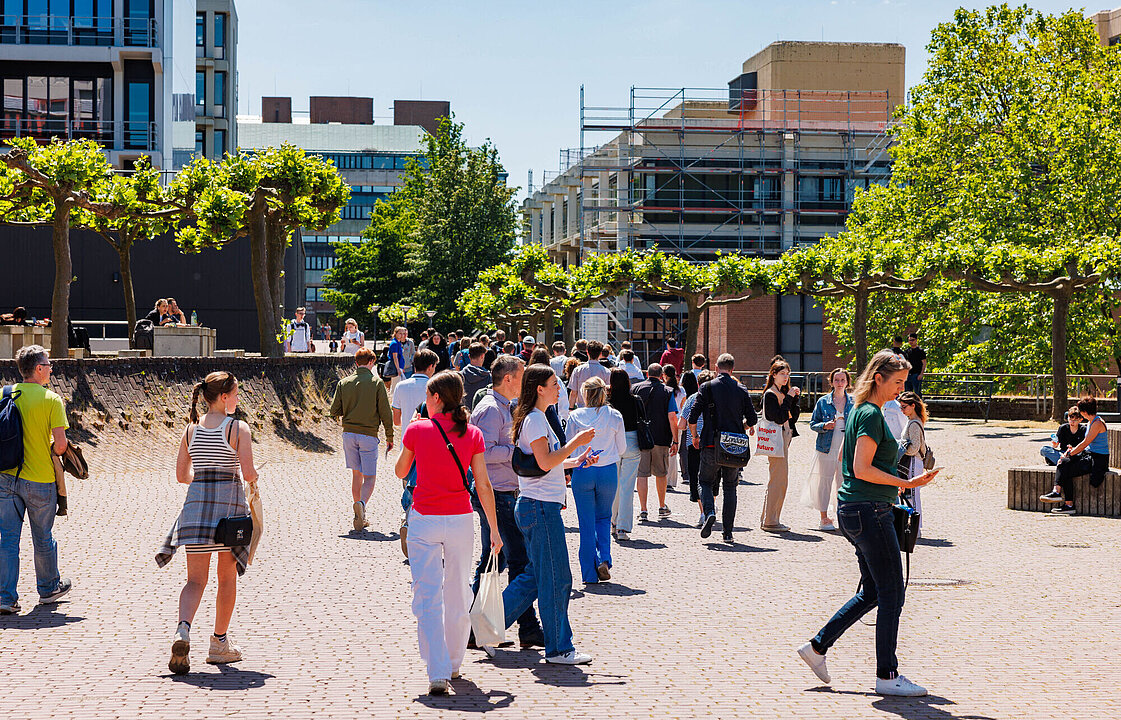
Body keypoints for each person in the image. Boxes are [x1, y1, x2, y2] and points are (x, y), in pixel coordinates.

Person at [798, 349, 939, 697]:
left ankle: (817, 647)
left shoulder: (863, 411)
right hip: (869, 511)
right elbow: (861, 468)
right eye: (897, 382)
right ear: (879, 378)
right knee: (893, 593)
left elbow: (858, 467)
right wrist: (908, 484)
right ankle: (887, 676)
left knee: (874, 591)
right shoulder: (871, 415)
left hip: (857, 510)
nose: (901, 389)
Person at [395, 371, 501, 695]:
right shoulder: (473, 433)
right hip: (460, 518)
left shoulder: (417, 429)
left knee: (427, 595)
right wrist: (494, 529)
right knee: (458, 591)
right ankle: (455, 662)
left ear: (436, 398)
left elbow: (400, 470)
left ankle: (437, 669)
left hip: (425, 517)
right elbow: (483, 484)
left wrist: (415, 428)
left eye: (427, 396)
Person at [157, 371, 259, 674]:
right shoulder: (238, 428)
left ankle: (183, 630)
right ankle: (218, 644)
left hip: (196, 511)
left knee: (194, 580)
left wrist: (201, 481)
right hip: (228, 512)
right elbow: (249, 472)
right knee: (226, 578)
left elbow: (181, 476)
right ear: (224, 397)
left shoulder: (190, 430)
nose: (239, 399)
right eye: (237, 394)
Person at [501, 365, 597, 665]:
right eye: (555, 384)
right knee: (557, 578)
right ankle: (559, 648)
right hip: (540, 507)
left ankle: (481, 627)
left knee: (536, 577)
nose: (560, 388)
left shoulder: (535, 418)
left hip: (538, 505)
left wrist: (575, 460)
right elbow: (543, 462)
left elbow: (545, 463)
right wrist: (574, 445)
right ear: (539, 388)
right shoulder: (535, 420)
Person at [468, 355, 543, 649]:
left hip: (502, 492)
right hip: (497, 494)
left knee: (499, 559)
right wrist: (516, 450)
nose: (524, 382)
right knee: (509, 560)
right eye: (522, 376)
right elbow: (483, 452)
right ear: (508, 379)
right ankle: (488, 627)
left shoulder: (500, 407)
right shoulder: (490, 410)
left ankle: (513, 627)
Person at [0, 346, 72, 616]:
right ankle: (48, 588)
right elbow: (61, 446)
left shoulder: (4, 394)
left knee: (7, 539)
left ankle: (5, 597)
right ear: (39, 368)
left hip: (6, 476)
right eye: (49, 365)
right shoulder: (51, 400)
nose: (51, 369)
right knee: (42, 537)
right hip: (40, 479)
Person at [689, 353, 757, 543]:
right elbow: (752, 420)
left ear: (717, 369)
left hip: (710, 443)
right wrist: (739, 428)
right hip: (733, 446)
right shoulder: (741, 389)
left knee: (704, 481)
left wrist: (695, 436)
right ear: (733, 369)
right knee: (730, 487)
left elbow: (692, 417)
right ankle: (728, 532)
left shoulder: (707, 387)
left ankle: (709, 511)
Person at [566, 377, 626, 584]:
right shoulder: (615, 415)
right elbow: (623, 448)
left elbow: (568, 447)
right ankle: (605, 559)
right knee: (603, 518)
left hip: (583, 470)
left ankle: (588, 574)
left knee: (586, 522)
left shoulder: (575, 416)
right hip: (607, 470)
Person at [330, 347, 394, 531]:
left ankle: (359, 511)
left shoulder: (344, 382)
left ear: (356, 363)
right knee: (370, 477)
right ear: (372, 362)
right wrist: (389, 436)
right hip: (368, 434)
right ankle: (362, 505)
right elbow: (385, 412)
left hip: (349, 433)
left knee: (356, 474)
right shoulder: (376, 383)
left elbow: (334, 410)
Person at [1040, 395, 1110, 515]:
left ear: (1084, 412)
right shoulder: (1091, 422)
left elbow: (1085, 443)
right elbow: (1086, 446)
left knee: (1066, 466)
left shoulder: (1098, 423)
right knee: (1064, 462)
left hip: (1098, 459)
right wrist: (1069, 454)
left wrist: (1070, 453)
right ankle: (1058, 494)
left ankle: (1067, 503)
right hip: (1089, 454)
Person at [803, 368, 854, 531]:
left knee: (844, 482)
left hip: (846, 447)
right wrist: (824, 425)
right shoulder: (823, 402)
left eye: (843, 380)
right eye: (837, 380)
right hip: (826, 446)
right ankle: (824, 518)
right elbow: (812, 423)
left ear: (847, 382)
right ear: (831, 382)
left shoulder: (853, 402)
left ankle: (842, 516)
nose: (840, 383)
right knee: (824, 481)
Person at [632, 363, 678, 521]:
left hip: (641, 438)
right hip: (661, 437)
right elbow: (672, 417)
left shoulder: (635, 389)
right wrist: (676, 440)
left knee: (642, 474)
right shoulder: (667, 391)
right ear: (662, 376)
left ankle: (643, 510)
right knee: (661, 473)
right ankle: (661, 505)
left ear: (647, 374)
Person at [761, 359, 801, 532]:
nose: (786, 377)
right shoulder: (770, 394)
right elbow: (778, 417)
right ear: (774, 375)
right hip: (776, 438)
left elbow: (793, 417)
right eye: (782, 374)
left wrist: (793, 399)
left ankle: (768, 518)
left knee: (779, 479)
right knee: (778, 480)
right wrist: (789, 399)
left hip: (784, 437)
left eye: (788, 374)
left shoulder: (782, 392)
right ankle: (771, 520)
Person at [608, 369, 643, 541]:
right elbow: (643, 419)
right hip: (632, 441)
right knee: (627, 486)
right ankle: (622, 527)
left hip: (613, 443)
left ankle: (613, 522)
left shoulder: (608, 401)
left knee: (613, 485)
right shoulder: (635, 400)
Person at [679, 370, 715, 526]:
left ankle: (703, 512)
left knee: (697, 477)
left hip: (694, 443)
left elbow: (681, 424)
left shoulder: (692, 399)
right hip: (713, 442)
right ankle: (711, 507)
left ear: (698, 384)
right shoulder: (717, 399)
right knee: (713, 476)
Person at [896, 391, 929, 531]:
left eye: (904, 407)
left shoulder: (914, 423)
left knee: (914, 495)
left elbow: (914, 447)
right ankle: (914, 526)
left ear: (912, 406)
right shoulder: (912, 421)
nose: (901, 410)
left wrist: (900, 450)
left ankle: (916, 527)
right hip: (911, 462)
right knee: (910, 494)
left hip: (913, 461)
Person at [568, 340, 611, 408]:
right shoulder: (606, 372)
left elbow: (573, 392)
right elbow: (607, 392)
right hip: (599, 409)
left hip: (581, 407)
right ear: (600, 354)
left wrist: (570, 408)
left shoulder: (578, 370)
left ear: (587, 352)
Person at [664, 365, 686, 490]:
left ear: (664, 375)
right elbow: (682, 407)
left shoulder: (664, 389)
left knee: (665, 451)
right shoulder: (682, 390)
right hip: (678, 422)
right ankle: (670, 481)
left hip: (666, 421)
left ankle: (663, 477)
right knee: (673, 452)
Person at [459, 343, 491, 411]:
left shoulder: (460, 375)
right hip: (482, 414)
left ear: (469, 356)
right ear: (482, 356)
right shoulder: (488, 377)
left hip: (464, 414)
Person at [387, 326, 413, 395]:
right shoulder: (394, 343)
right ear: (395, 333)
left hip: (400, 367)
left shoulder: (398, 343)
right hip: (396, 368)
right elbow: (395, 357)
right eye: (400, 333)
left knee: (400, 385)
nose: (402, 335)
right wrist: (398, 369)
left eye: (403, 333)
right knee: (396, 386)